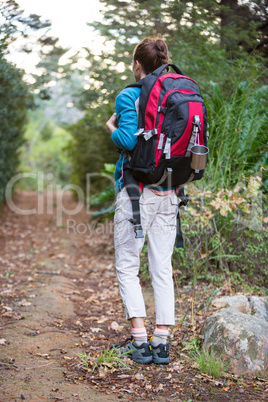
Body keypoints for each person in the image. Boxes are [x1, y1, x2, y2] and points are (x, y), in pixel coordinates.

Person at [106, 37, 178, 364]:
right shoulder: (173, 93)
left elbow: (127, 139)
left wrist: (110, 126)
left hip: (136, 191)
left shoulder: (129, 94)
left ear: (137, 65)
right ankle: (161, 342)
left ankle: (139, 340)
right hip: (170, 190)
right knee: (162, 266)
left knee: (127, 264)